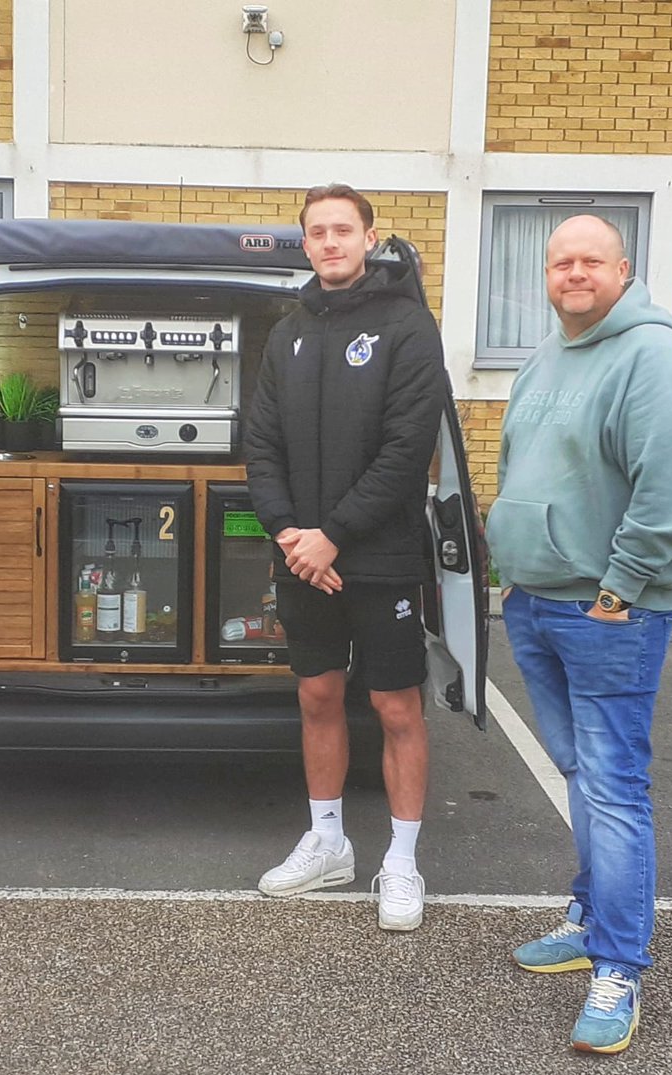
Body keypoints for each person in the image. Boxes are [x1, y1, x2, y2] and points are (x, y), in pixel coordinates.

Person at [487, 215, 672, 1054]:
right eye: (559, 262)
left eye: (590, 261)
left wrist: (619, 590)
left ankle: (619, 967)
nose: (573, 273)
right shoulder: (546, 358)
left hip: (609, 612)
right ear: (546, 276)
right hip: (538, 602)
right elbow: (522, 470)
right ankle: (589, 920)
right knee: (580, 772)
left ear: (624, 269)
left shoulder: (656, 361)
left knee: (614, 786)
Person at [245, 184, 446, 930]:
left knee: (396, 707)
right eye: (317, 232)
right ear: (306, 244)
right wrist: (293, 535)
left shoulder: (406, 325)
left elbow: (406, 452)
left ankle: (401, 861)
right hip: (305, 557)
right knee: (318, 698)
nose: (330, 242)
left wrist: (333, 535)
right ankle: (327, 844)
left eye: (343, 229)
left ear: (369, 238)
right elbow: (260, 445)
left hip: (382, 556)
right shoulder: (288, 332)